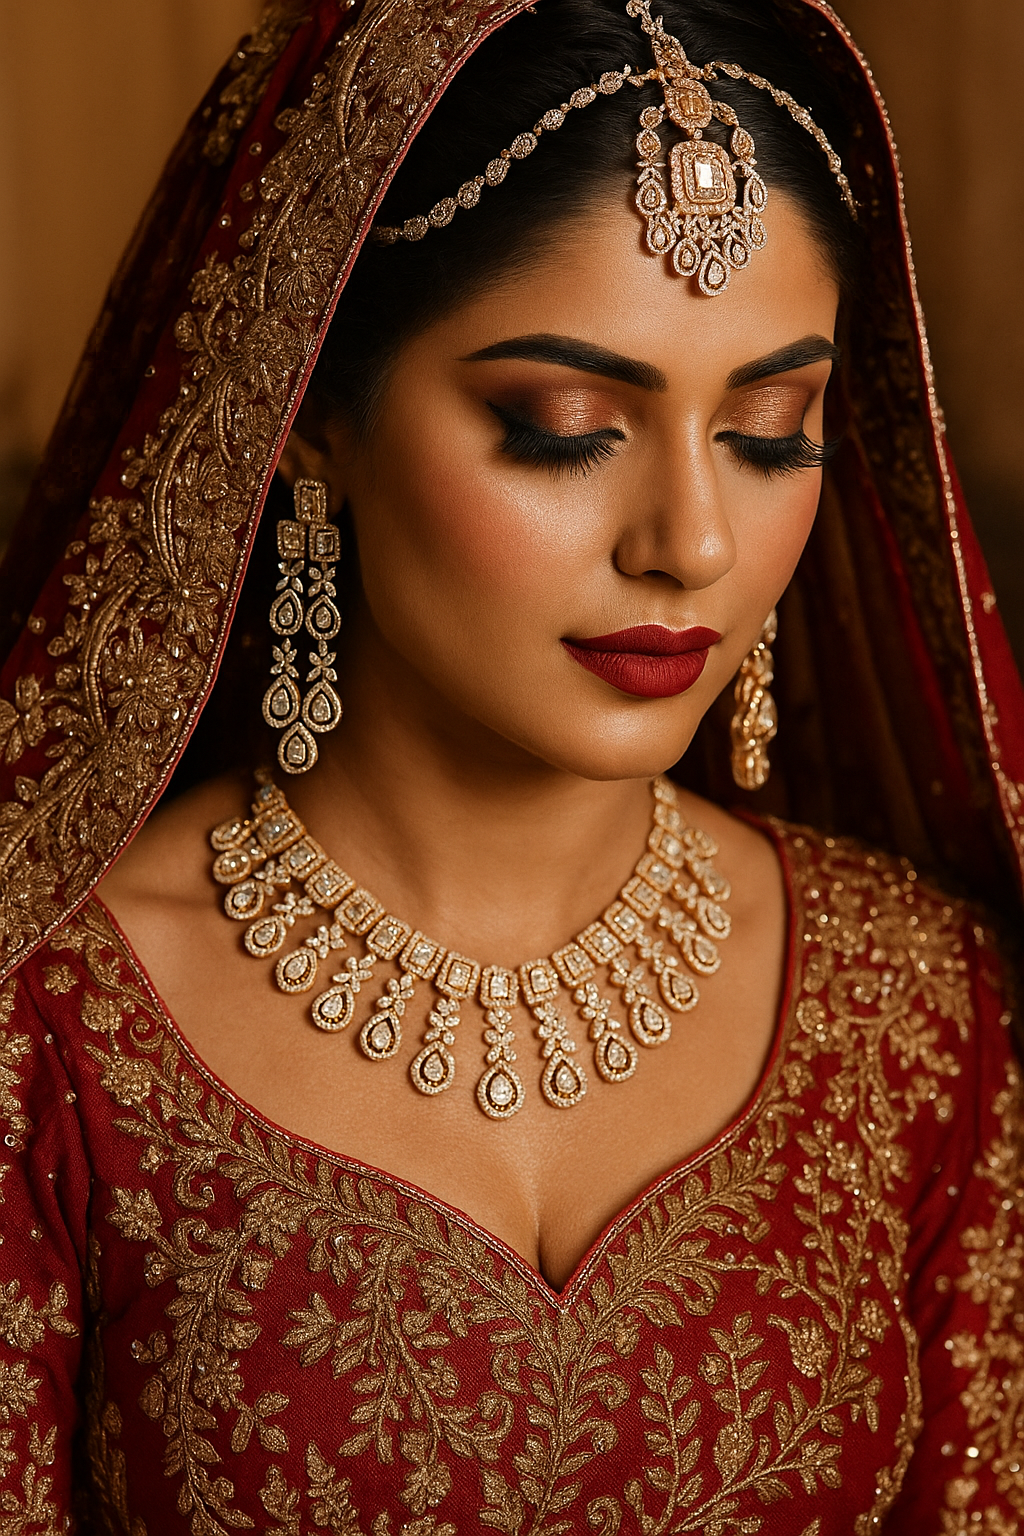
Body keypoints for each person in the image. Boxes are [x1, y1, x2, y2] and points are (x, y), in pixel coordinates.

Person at [0, 0, 1021, 1528]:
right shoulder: (50, 1026)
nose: (691, 544)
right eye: (563, 426)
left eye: (769, 429)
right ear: (310, 410)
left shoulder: (922, 1009)